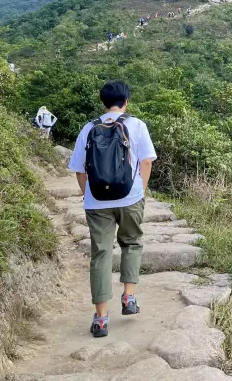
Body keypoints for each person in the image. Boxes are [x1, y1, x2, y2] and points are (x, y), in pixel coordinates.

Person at [68, 80, 157, 339]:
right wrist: (139, 191)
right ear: (126, 101)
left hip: (97, 202)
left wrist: (90, 196)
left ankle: (101, 317)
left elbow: (79, 169)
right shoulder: (137, 125)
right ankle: (129, 297)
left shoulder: (88, 128)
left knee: (101, 254)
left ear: (103, 102)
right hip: (130, 198)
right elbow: (146, 163)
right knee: (131, 243)